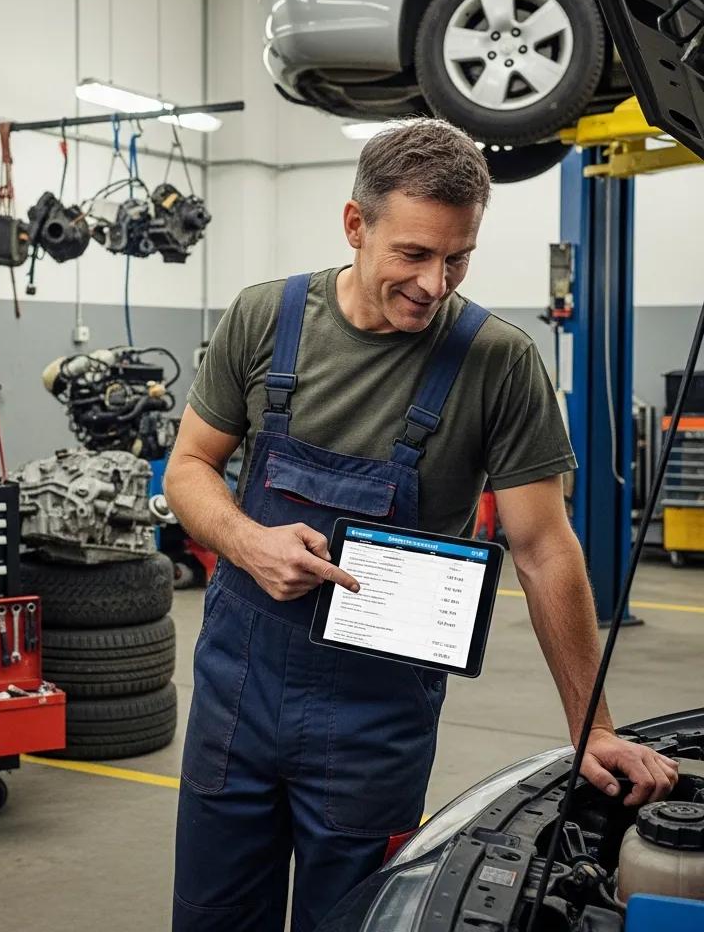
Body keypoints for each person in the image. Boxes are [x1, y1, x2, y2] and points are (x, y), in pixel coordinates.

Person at [165, 120, 679, 932]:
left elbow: (544, 549)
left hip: (374, 716)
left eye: (458, 257)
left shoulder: (498, 363)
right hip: (239, 693)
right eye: (413, 254)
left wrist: (594, 726)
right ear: (355, 226)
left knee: (359, 920)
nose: (435, 284)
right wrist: (246, 542)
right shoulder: (265, 318)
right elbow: (188, 466)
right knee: (214, 916)